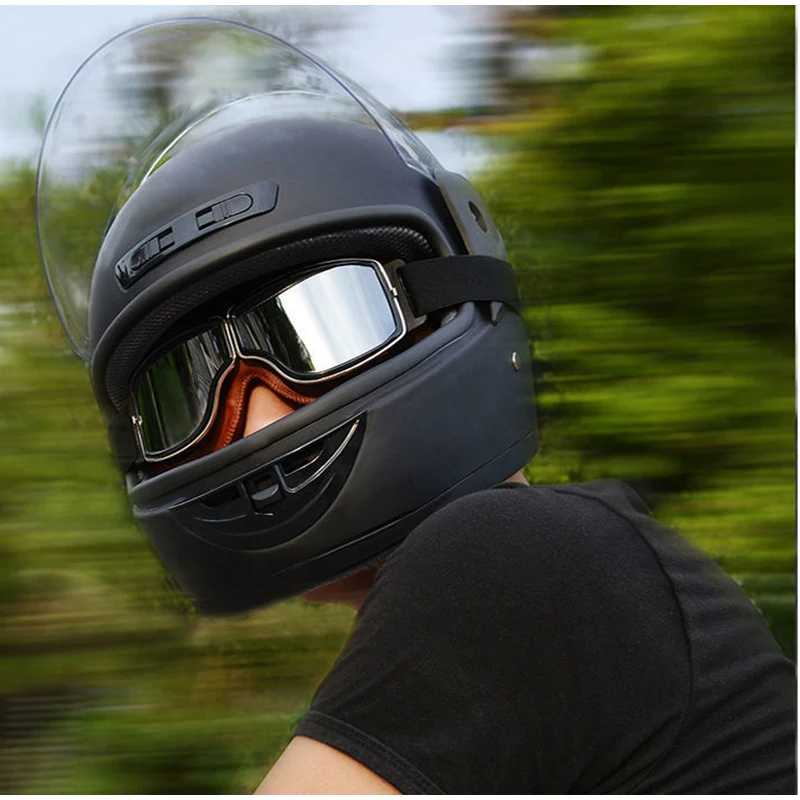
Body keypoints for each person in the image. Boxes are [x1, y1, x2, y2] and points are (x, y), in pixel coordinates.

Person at [37, 19, 795, 795]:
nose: (256, 418)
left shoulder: (509, 559)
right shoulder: (589, 569)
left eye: (319, 328)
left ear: (446, 294)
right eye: (187, 393)